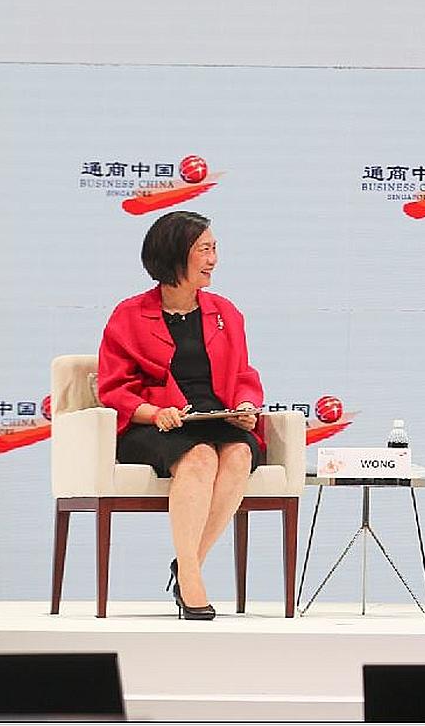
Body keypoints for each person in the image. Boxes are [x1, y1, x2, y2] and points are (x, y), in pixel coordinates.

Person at [97, 210, 265, 620]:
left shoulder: (225, 311)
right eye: (203, 250)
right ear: (174, 255)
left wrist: (244, 405)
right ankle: (192, 580)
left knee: (239, 454)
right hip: (154, 424)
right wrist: (155, 412)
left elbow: (243, 373)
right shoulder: (129, 315)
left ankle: (187, 564)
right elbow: (113, 388)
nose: (213, 259)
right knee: (201, 456)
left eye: (214, 248)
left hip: (214, 417)